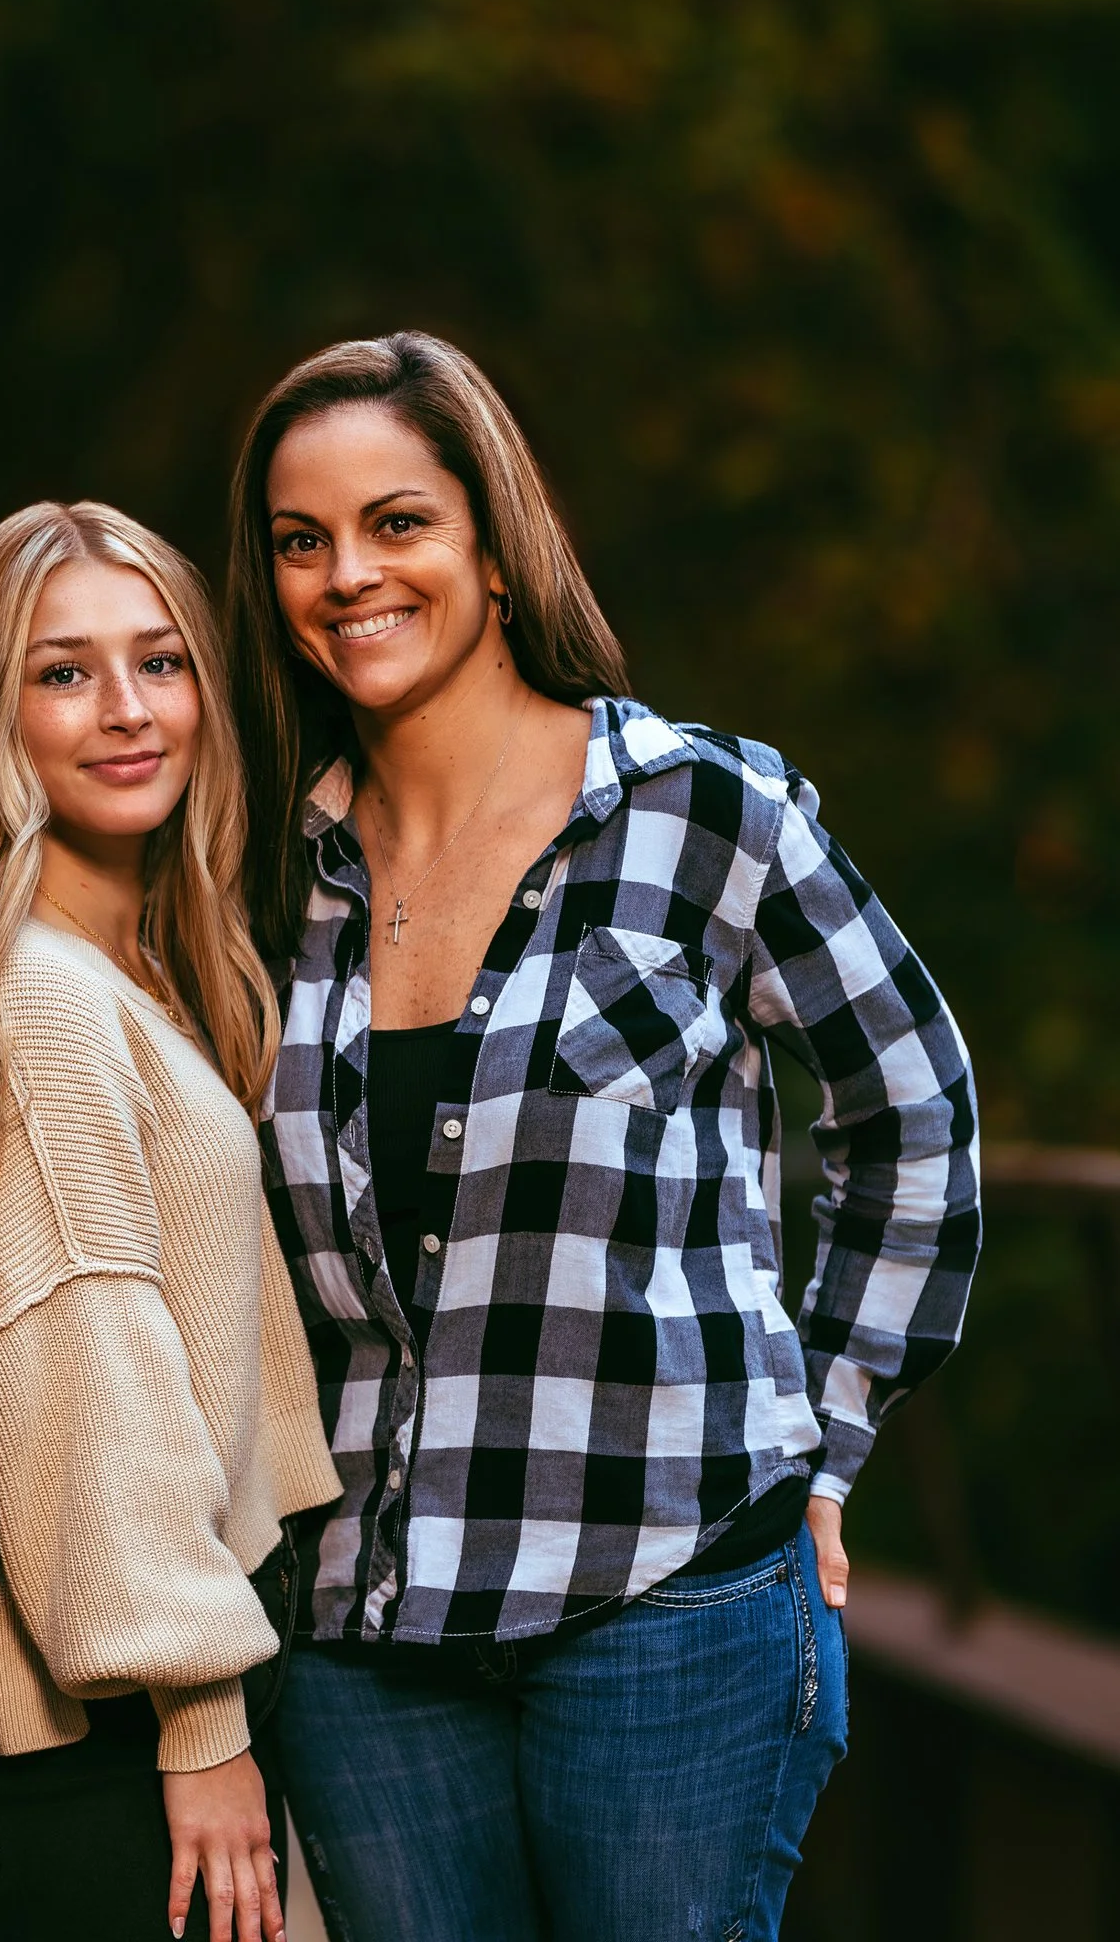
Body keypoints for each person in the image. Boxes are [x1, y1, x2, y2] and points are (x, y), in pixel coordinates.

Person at [220, 331, 981, 1940]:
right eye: (303, 540)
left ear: (495, 546)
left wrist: (826, 1432)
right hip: (366, 1638)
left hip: (671, 1599)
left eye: (397, 522)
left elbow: (911, 1117)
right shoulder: (263, 874)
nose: (347, 575)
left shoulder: (702, 815)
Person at [0, 501, 342, 1942]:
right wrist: (202, 1720)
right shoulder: (38, 994)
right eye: (64, 672)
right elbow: (82, 1364)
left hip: (126, 1712)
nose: (127, 711)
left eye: (161, 662)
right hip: (100, 1749)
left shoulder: (136, 965)